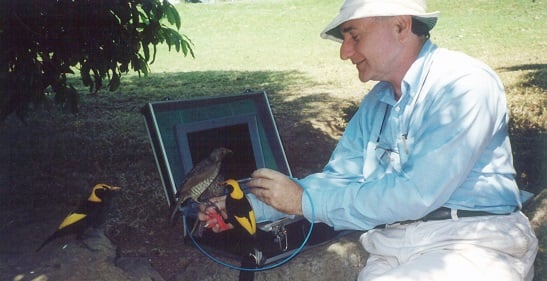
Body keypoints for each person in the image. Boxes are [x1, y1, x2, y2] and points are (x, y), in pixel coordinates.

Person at [199, 0, 539, 280]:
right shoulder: (378, 101)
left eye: (354, 36)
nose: (345, 52)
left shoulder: (464, 85)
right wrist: (248, 207)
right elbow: (339, 180)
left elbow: (416, 193)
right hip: (392, 246)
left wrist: (303, 202)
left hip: (473, 244)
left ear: (401, 26)